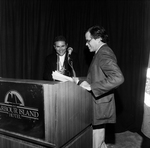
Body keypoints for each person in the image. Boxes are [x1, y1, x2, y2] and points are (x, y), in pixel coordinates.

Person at [74, 25, 124, 148]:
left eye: (88, 40)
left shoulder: (104, 52)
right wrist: (80, 80)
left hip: (100, 106)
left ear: (98, 39)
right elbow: (98, 76)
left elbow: (118, 78)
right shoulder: (100, 52)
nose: (86, 44)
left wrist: (92, 87)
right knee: (98, 142)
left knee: (96, 142)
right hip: (99, 104)